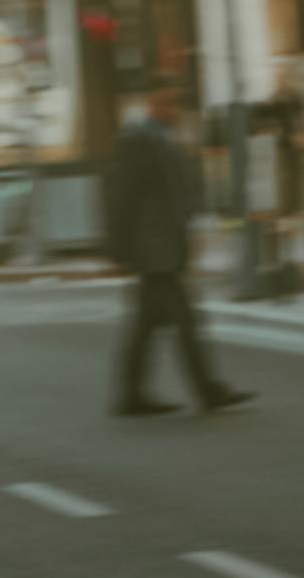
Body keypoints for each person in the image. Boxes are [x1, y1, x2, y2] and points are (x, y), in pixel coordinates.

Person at [101, 84, 249, 419]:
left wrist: (190, 232)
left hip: (166, 245)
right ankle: (208, 390)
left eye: (177, 103)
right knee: (185, 321)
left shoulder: (167, 138)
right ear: (153, 103)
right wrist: (120, 250)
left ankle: (131, 395)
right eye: (168, 103)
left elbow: (178, 193)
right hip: (153, 249)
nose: (174, 110)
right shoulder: (137, 139)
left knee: (146, 324)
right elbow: (122, 197)